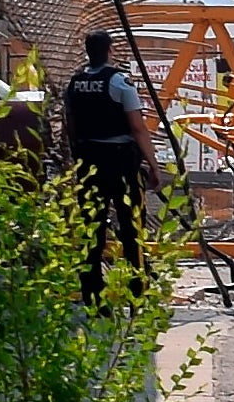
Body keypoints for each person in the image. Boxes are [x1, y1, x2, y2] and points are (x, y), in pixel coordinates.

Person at [56, 29, 158, 297]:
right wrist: (154, 165)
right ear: (110, 51)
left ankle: (92, 293)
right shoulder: (119, 83)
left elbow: (71, 125)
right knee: (131, 226)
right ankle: (138, 289)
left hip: (88, 161)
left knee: (92, 227)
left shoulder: (73, 84)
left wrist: (79, 155)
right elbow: (138, 128)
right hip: (120, 161)